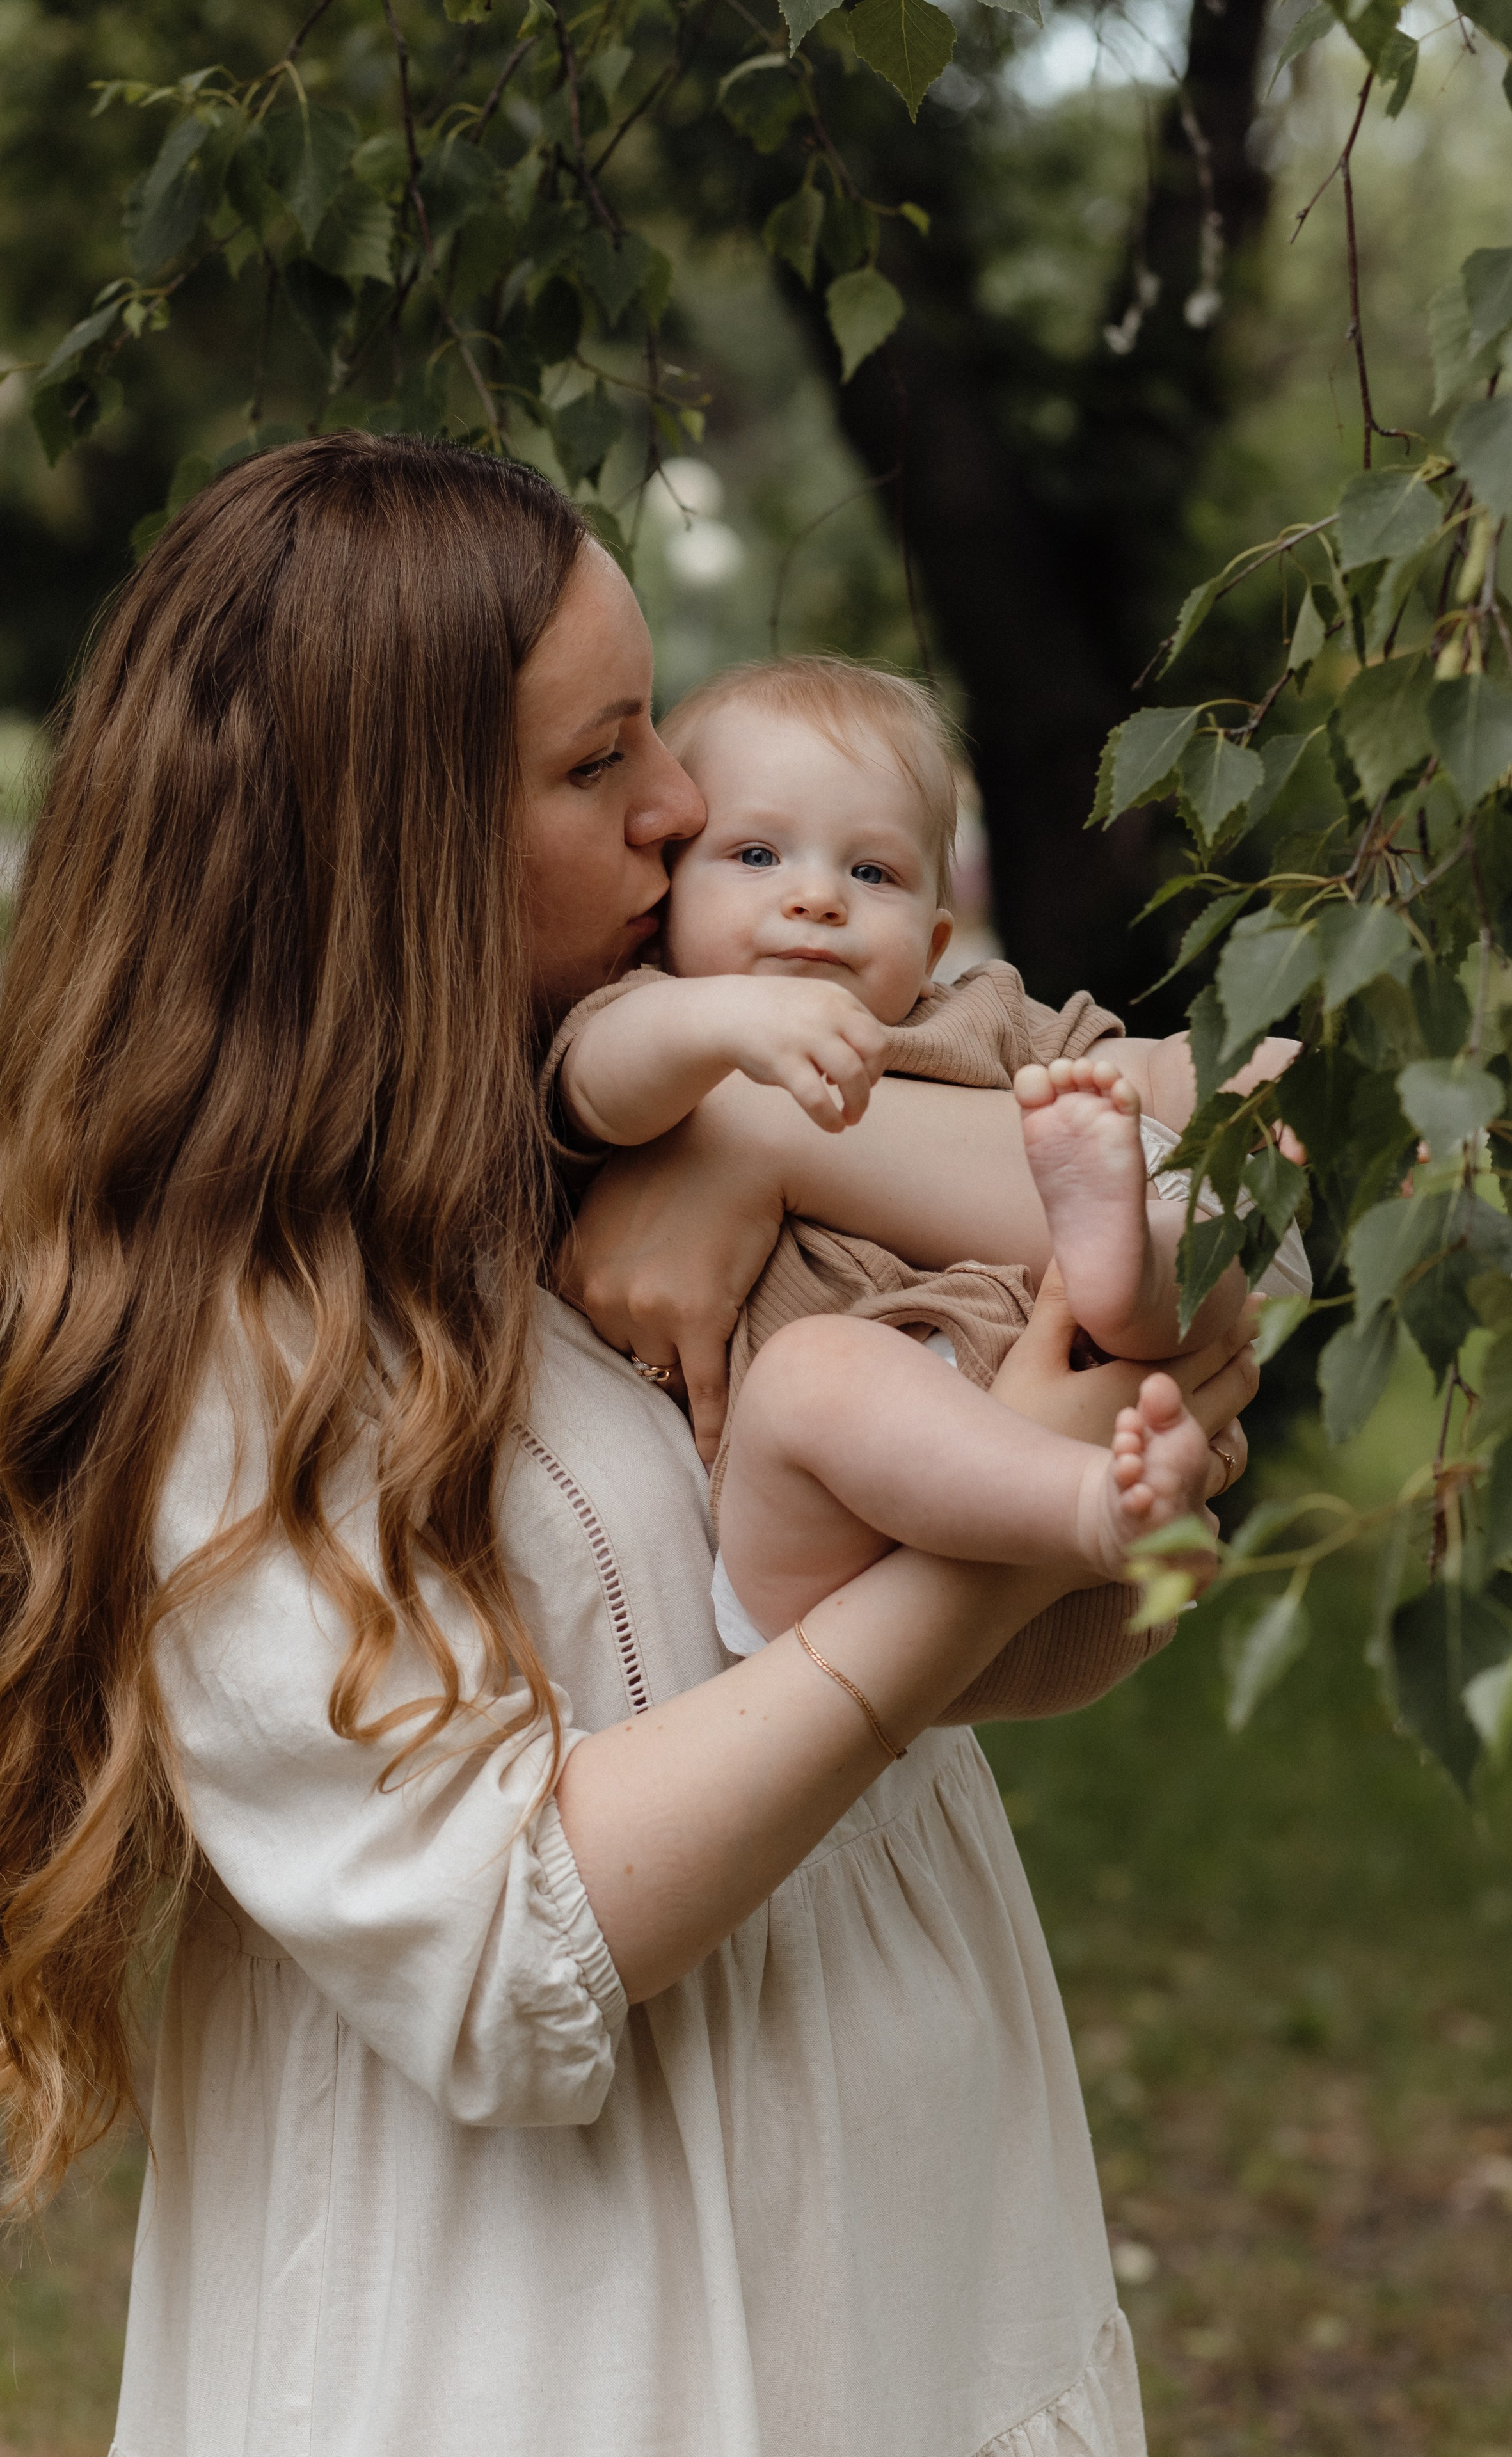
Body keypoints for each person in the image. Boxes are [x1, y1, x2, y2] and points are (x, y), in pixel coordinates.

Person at [0, 434, 1258, 2457]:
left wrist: (764, 1146)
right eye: (599, 770)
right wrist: (1008, 1514)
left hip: (916, 2255)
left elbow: (1070, 1618)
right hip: (574, 2340)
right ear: (391, 845)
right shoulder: (240, 1325)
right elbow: (508, 1962)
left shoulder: (628, 1129)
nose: (689, 807)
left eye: (651, 730)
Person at [546, 655, 1303, 1678]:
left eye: (873, 874)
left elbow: (1140, 1073)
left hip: (1084, 1551)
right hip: (846, 1572)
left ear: (935, 936)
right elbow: (596, 1080)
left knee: (1181, 1232)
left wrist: (1241, 1071)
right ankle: (1084, 1501)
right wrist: (718, 1023)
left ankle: (1123, 1273)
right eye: (757, 854)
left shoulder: (973, 1018)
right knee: (816, 1380)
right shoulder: (655, 1019)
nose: (816, 898)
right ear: (669, 895)